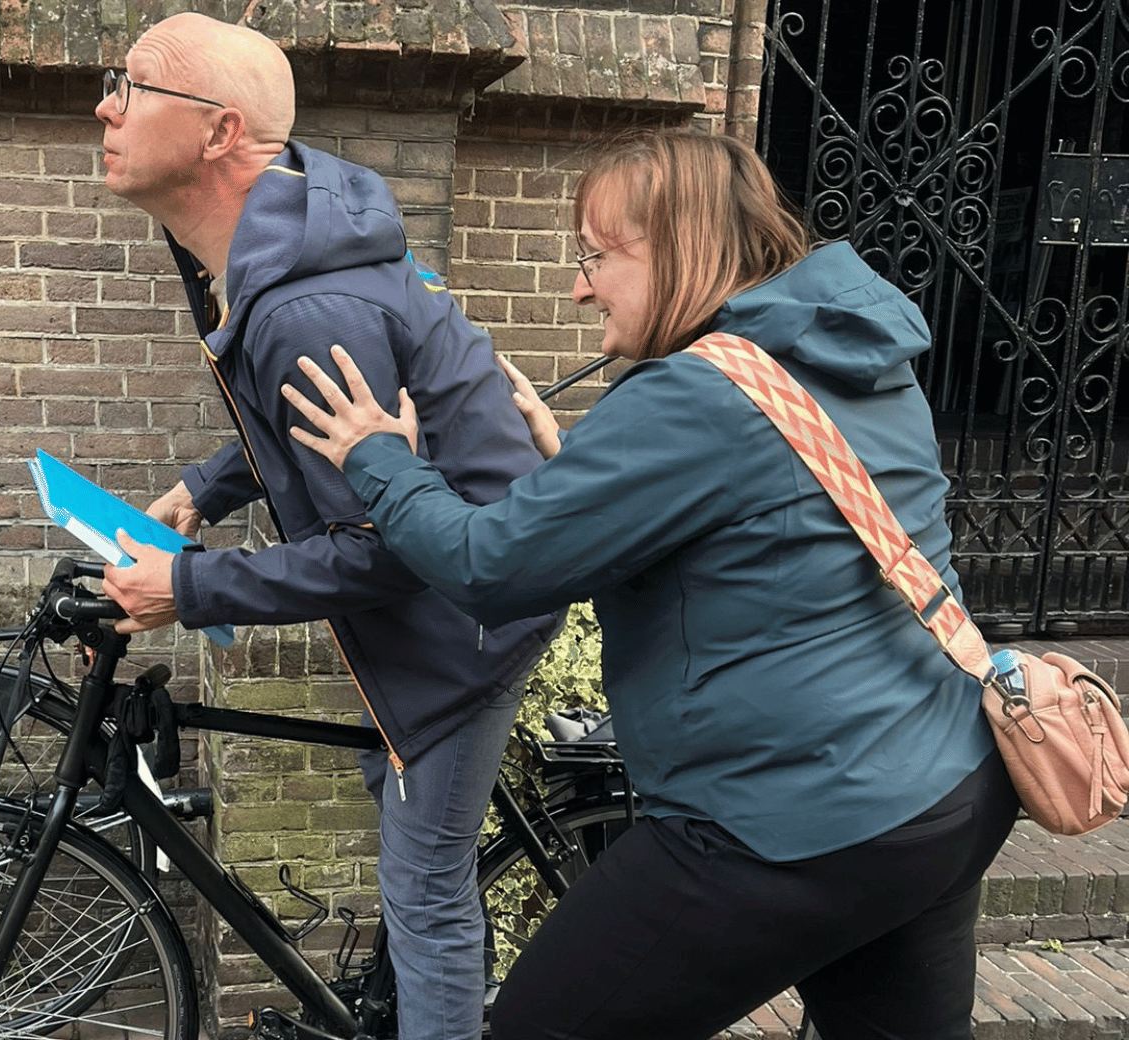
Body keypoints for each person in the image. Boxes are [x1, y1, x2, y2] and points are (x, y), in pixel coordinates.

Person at [282, 128, 1020, 1040]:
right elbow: (773, 527)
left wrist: (380, 460)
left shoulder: (691, 396)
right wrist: (582, 468)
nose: (579, 286)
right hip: (945, 788)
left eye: (596, 256)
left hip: (781, 821)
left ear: (678, 248)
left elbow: (488, 568)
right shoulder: (851, 355)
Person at [92, 13, 562, 1040]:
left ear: (219, 132)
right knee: (407, 842)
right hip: (447, 602)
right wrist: (208, 487)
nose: (104, 107)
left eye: (131, 88)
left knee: (425, 892)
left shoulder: (307, 305)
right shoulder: (290, 253)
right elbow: (310, 424)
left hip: (467, 626)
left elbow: (384, 549)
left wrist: (187, 587)